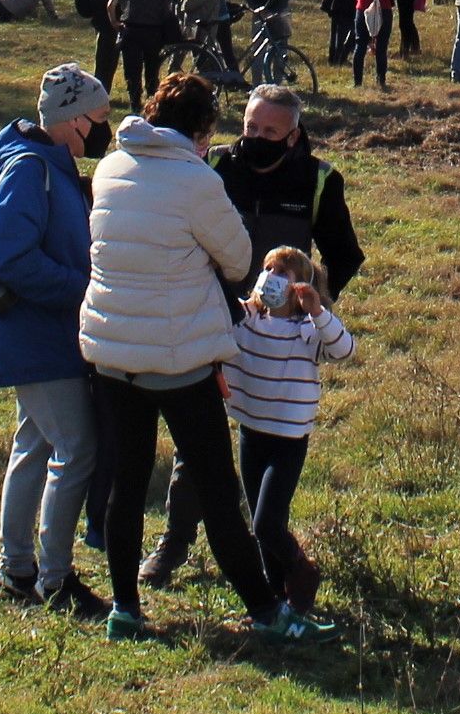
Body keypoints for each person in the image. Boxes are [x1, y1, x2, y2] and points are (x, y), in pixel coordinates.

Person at [78, 73, 321, 642]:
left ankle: (125, 608)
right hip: (179, 356)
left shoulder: (111, 166)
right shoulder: (197, 179)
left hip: (112, 351)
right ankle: (265, 611)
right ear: (203, 130)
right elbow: (239, 261)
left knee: (128, 484)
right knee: (218, 491)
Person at [0, 67, 108, 615]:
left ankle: (17, 573)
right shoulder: (33, 171)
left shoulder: (49, 165)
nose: (103, 129)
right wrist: (83, 290)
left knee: (33, 448)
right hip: (39, 338)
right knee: (77, 450)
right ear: (72, 119)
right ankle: (53, 578)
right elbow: (13, 259)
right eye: (98, 119)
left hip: (42, 338)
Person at [222, 247, 354, 619]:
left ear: (301, 285)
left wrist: (316, 310)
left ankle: (302, 571)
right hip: (251, 432)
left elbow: (344, 350)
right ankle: (277, 598)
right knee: (261, 526)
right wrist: (245, 303)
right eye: (266, 269)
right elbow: (219, 314)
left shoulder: (308, 332)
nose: (270, 277)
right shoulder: (246, 319)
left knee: (267, 522)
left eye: (281, 272)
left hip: (288, 440)